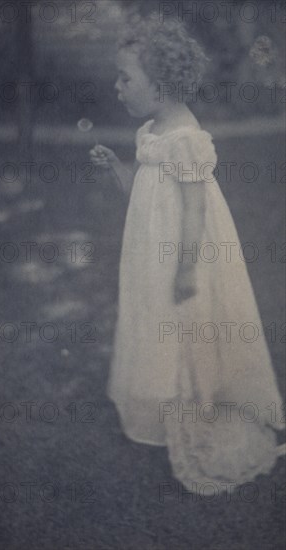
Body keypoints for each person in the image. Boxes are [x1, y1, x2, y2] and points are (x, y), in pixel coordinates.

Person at [90, 13, 285, 494]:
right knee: (158, 325)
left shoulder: (185, 138)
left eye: (125, 78)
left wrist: (185, 268)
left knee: (187, 327)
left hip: (182, 253)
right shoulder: (153, 131)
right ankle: (167, 405)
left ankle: (197, 406)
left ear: (157, 87)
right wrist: (119, 167)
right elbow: (140, 191)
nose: (117, 86)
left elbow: (196, 211)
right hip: (150, 252)